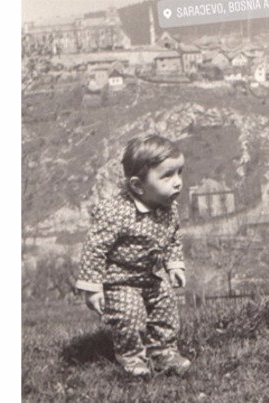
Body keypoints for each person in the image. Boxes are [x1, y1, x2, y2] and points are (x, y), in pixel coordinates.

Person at [75, 134, 191, 377]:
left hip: (152, 276)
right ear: (138, 186)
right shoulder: (116, 212)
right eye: (167, 176)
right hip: (120, 280)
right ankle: (133, 359)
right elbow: (95, 249)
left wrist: (174, 264)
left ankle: (163, 352)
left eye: (179, 173)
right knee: (130, 316)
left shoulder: (168, 207)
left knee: (166, 309)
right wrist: (92, 287)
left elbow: (172, 236)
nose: (178, 182)